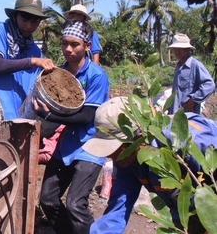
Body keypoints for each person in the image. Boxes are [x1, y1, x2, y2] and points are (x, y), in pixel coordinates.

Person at [85, 96, 217, 234]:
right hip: (185, 211)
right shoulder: (126, 160)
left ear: (140, 137)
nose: (110, 156)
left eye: (115, 149)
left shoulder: (188, 140)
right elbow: (116, 212)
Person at [33, 19, 109, 234]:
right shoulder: (60, 73)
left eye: (74, 44)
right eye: (64, 43)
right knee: (48, 199)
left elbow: (87, 116)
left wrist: (48, 115)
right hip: (67, 143)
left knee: (76, 204)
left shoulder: (96, 75)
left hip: (91, 144)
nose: (67, 48)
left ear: (87, 46)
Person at [0, 0, 55, 120]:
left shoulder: (34, 50)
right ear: (14, 16)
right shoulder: (0, 31)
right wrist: (31, 61)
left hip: (23, 115)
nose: (29, 26)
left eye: (35, 21)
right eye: (24, 19)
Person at [167, 33, 215, 114]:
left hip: (188, 114)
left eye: (180, 48)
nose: (177, 51)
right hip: (175, 112)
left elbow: (209, 84)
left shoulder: (195, 65)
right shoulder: (178, 66)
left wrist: (194, 99)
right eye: (175, 48)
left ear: (188, 49)